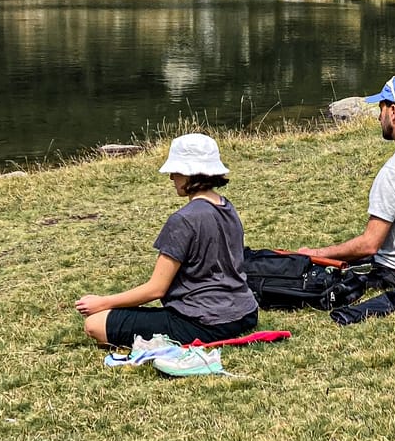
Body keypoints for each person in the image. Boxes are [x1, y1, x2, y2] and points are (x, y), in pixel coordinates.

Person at [74, 132, 259, 348]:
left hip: (204, 322)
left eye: (175, 171)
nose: (172, 178)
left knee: (95, 324)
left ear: (189, 173)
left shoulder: (184, 219)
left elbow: (156, 289)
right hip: (245, 313)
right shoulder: (226, 207)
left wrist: (102, 302)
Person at [297, 75, 395, 288]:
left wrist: (314, 254)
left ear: (393, 112)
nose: (378, 117)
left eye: (381, 109)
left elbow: (369, 245)